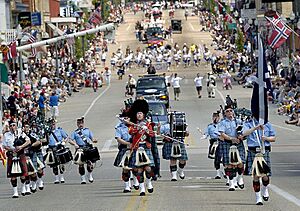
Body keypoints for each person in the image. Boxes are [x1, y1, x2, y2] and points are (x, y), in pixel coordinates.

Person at [242, 118, 276, 205]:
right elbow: (244, 134)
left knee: (265, 176)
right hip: (253, 151)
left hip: (264, 151)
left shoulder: (267, 124)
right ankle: (258, 197)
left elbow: (274, 138)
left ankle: (264, 188)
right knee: (256, 175)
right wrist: (254, 128)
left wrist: (266, 138)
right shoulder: (248, 124)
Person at [128, 99, 155, 196]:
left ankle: (149, 183)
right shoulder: (133, 125)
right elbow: (130, 132)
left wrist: (147, 130)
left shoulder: (148, 124)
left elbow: (152, 135)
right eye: (138, 113)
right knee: (139, 170)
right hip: (137, 147)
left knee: (148, 168)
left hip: (146, 147)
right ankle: (142, 188)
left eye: (141, 113)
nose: (139, 115)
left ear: (143, 115)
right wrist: (138, 128)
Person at [218, 105, 245, 191]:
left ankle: (240, 178)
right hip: (228, 143)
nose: (229, 112)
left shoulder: (239, 121)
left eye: (231, 111)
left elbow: (243, 132)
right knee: (229, 164)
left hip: (238, 143)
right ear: (225, 113)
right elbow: (222, 134)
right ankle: (231, 183)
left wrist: (241, 137)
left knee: (240, 162)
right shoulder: (222, 122)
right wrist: (231, 139)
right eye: (227, 111)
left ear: (233, 112)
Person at [2, 120, 31, 198]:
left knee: (23, 173)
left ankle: (23, 188)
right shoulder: (6, 135)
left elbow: (28, 141)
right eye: (11, 126)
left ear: (16, 126)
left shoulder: (21, 133)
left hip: (20, 154)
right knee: (12, 175)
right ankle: (15, 192)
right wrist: (12, 149)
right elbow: (4, 146)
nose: (12, 127)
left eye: (13, 125)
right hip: (11, 155)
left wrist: (21, 147)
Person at [157, 112, 189, 181]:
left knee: (183, 160)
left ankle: (180, 170)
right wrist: (159, 128)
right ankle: (174, 176)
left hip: (179, 142)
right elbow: (159, 133)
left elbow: (186, 134)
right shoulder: (165, 126)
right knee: (173, 160)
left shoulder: (180, 124)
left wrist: (186, 132)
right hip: (170, 143)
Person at [114, 110, 139, 193]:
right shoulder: (119, 128)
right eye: (124, 118)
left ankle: (136, 182)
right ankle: (127, 186)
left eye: (127, 118)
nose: (126, 119)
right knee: (125, 169)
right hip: (124, 149)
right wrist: (127, 143)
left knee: (135, 167)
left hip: (135, 148)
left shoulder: (135, 126)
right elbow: (118, 138)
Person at [70, 117, 98, 184]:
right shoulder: (75, 132)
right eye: (79, 123)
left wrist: (94, 140)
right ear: (77, 124)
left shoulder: (87, 130)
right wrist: (75, 144)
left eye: (81, 123)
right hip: (80, 148)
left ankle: (90, 175)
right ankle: (83, 178)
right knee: (81, 164)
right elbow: (70, 140)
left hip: (87, 148)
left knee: (89, 163)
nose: (80, 124)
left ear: (83, 123)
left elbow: (92, 138)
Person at [45, 119, 68, 184]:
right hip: (51, 148)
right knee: (54, 164)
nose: (53, 125)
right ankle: (56, 178)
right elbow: (45, 140)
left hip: (59, 147)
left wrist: (64, 142)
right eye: (51, 124)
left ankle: (62, 176)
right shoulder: (47, 132)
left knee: (61, 163)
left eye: (53, 124)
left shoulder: (59, 130)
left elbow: (66, 137)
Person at [204, 112, 223, 179]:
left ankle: (225, 171)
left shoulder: (221, 125)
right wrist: (204, 136)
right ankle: (218, 173)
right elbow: (206, 133)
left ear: (219, 118)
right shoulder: (210, 126)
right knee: (216, 159)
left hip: (221, 142)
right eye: (214, 117)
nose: (215, 118)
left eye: (217, 117)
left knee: (222, 157)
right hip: (213, 143)